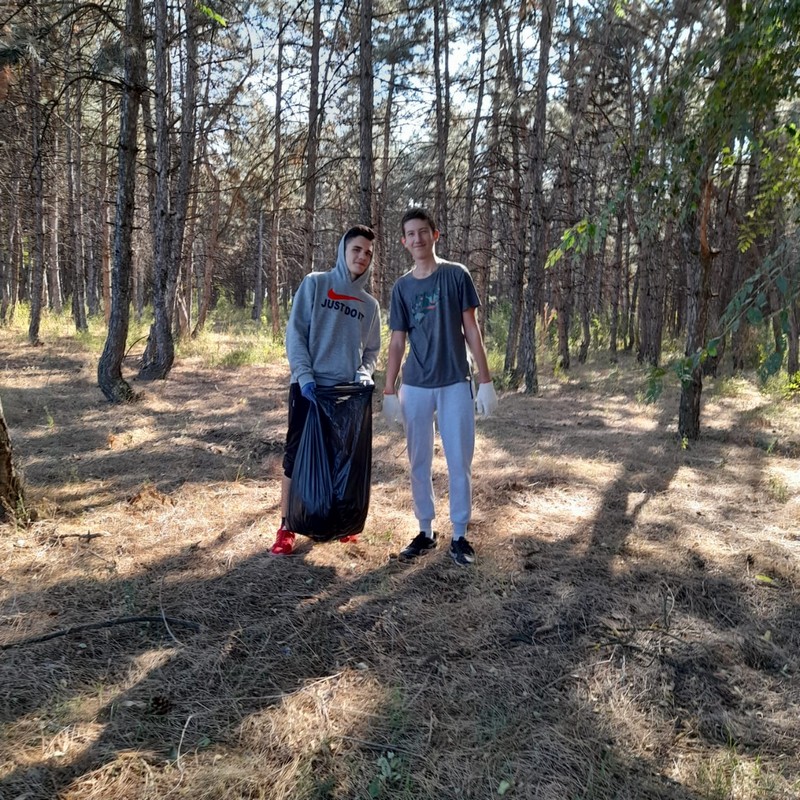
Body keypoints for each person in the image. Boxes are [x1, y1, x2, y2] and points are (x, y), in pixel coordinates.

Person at [382, 208, 498, 566]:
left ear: (435, 235)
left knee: (459, 460)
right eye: (410, 234)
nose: (417, 239)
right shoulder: (402, 287)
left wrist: (485, 381)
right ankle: (425, 531)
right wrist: (388, 389)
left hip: (454, 382)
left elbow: (471, 330)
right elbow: (398, 341)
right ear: (404, 242)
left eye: (423, 231)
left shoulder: (456, 275)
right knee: (418, 460)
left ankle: (460, 534)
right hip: (416, 385)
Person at [271, 225, 381, 555]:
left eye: (368, 253)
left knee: (341, 459)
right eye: (356, 249)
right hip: (310, 389)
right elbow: (296, 334)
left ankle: (339, 523)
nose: (362, 256)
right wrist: (304, 377)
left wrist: (363, 373)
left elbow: (371, 351)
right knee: (296, 457)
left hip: (346, 396)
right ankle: (287, 526)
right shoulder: (316, 284)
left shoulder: (369, 305)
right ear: (343, 250)